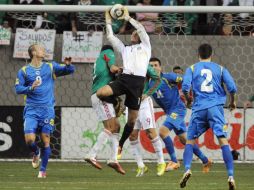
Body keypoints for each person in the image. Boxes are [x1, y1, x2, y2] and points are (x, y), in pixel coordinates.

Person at [180, 44, 237, 190]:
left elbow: (185, 87)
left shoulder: (192, 68)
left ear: (198, 54)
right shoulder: (220, 68)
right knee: (223, 140)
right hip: (215, 109)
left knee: (190, 141)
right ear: (211, 54)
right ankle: (230, 176)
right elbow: (232, 87)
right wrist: (233, 102)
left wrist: (188, 100)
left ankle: (187, 169)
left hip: (199, 109)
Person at [97, 7, 151, 157]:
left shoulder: (146, 46)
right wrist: (108, 20)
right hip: (124, 79)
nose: (134, 33)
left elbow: (140, 28)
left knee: (132, 121)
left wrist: (128, 18)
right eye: (133, 32)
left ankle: (120, 144)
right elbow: (110, 36)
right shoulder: (125, 49)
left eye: (136, 33)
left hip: (138, 84)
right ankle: (116, 103)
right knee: (101, 93)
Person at [15, 44, 75, 178]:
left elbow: (70, 70)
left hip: (47, 110)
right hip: (31, 109)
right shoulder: (24, 71)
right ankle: (36, 153)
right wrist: (30, 88)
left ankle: (42, 171)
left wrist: (68, 65)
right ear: (34, 52)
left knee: (46, 139)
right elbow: (18, 89)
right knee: (30, 140)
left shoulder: (50, 66)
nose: (44, 50)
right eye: (41, 49)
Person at [149, 57, 211, 172]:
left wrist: (190, 96)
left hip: (178, 109)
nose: (153, 68)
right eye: (151, 66)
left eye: (155, 65)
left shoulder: (168, 77)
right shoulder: (148, 84)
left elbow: (186, 80)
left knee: (162, 132)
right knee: (184, 139)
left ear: (160, 67)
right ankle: (206, 160)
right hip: (170, 112)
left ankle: (174, 161)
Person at [85, 45, 125, 175]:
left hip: (98, 96)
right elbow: (113, 68)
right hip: (102, 96)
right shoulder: (108, 52)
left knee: (116, 127)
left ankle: (113, 159)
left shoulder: (98, 64)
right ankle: (91, 154)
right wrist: (123, 69)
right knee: (111, 127)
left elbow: (110, 75)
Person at [128, 64, 166, 177]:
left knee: (150, 132)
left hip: (144, 103)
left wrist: (147, 93)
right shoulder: (126, 66)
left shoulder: (144, 66)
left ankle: (161, 162)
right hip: (130, 103)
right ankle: (141, 166)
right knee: (132, 135)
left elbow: (158, 80)